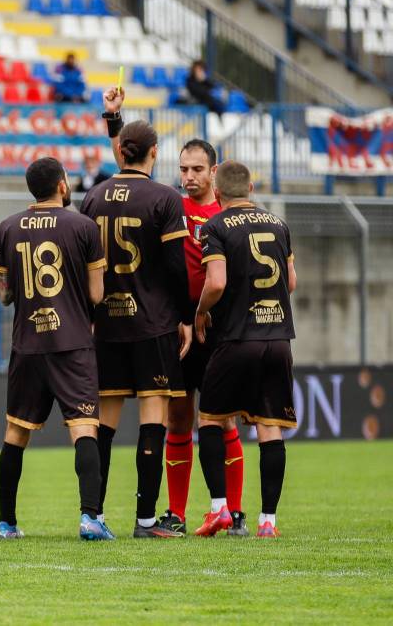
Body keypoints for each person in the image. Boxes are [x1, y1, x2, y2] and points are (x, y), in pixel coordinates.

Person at [79, 86, 193, 539]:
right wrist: (185, 316)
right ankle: (146, 521)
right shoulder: (166, 198)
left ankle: (94, 515)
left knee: (103, 424)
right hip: (152, 325)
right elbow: (173, 266)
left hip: (106, 324)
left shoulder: (94, 197)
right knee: (153, 419)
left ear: (121, 151)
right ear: (155, 153)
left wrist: (112, 118)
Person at [0, 157, 114, 541]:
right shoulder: (83, 226)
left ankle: (6, 523)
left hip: (27, 344)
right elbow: (96, 293)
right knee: (83, 427)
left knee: (15, 432)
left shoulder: (8, 227)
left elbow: (6, 294)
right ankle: (90, 517)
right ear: (63, 185)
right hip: (72, 343)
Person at [192, 160, 297, 538]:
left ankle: (219, 509)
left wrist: (201, 311)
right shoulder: (279, 225)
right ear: (252, 188)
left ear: (217, 193)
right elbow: (292, 281)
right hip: (278, 339)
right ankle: (268, 522)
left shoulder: (215, 226)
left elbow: (216, 281)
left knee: (210, 420)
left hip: (237, 338)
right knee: (271, 429)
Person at [157, 139, 248, 536]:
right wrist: (115, 122)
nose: (188, 177)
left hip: (217, 328)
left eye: (197, 169)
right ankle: (177, 514)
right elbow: (130, 169)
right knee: (177, 418)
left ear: (214, 173)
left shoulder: (225, 214)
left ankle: (235, 512)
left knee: (223, 419)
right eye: (183, 169)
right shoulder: (171, 208)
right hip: (179, 326)